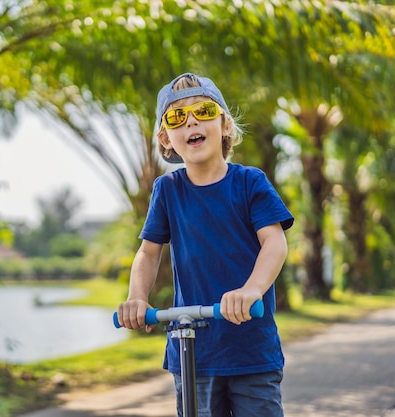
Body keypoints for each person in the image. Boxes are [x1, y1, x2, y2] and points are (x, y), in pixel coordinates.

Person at [116, 73, 294, 417]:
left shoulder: (249, 182)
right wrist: (137, 297)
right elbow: (149, 252)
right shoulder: (167, 190)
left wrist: (252, 290)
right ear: (166, 138)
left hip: (250, 349)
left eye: (203, 111)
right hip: (192, 352)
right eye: (177, 117)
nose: (192, 121)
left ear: (224, 125)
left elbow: (274, 241)